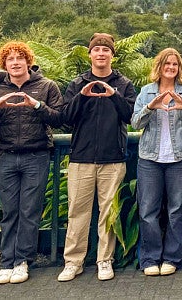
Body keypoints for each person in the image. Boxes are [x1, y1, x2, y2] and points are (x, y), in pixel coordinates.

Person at [0, 41, 64, 285]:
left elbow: (60, 119)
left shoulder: (46, 86)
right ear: (4, 64)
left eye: (19, 58)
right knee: (9, 211)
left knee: (29, 211)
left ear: (27, 61)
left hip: (37, 155)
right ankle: (7, 262)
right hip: (7, 155)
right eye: (9, 59)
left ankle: (23, 261)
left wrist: (35, 104)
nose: (14, 62)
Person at [57, 33, 136, 282]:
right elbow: (65, 118)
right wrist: (82, 94)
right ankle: (73, 261)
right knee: (77, 212)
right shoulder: (76, 83)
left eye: (106, 50)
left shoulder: (124, 84)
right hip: (81, 157)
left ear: (112, 54)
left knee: (107, 213)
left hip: (113, 158)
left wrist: (113, 94)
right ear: (90, 54)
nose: (101, 53)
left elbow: (130, 116)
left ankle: (105, 260)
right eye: (97, 50)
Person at [132, 48, 182, 276]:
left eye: (175, 64)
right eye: (167, 64)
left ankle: (172, 257)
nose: (171, 68)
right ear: (159, 66)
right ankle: (150, 258)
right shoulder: (146, 92)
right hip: (150, 158)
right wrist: (151, 107)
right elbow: (135, 123)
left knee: (177, 209)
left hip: (180, 158)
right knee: (148, 210)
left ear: (179, 68)